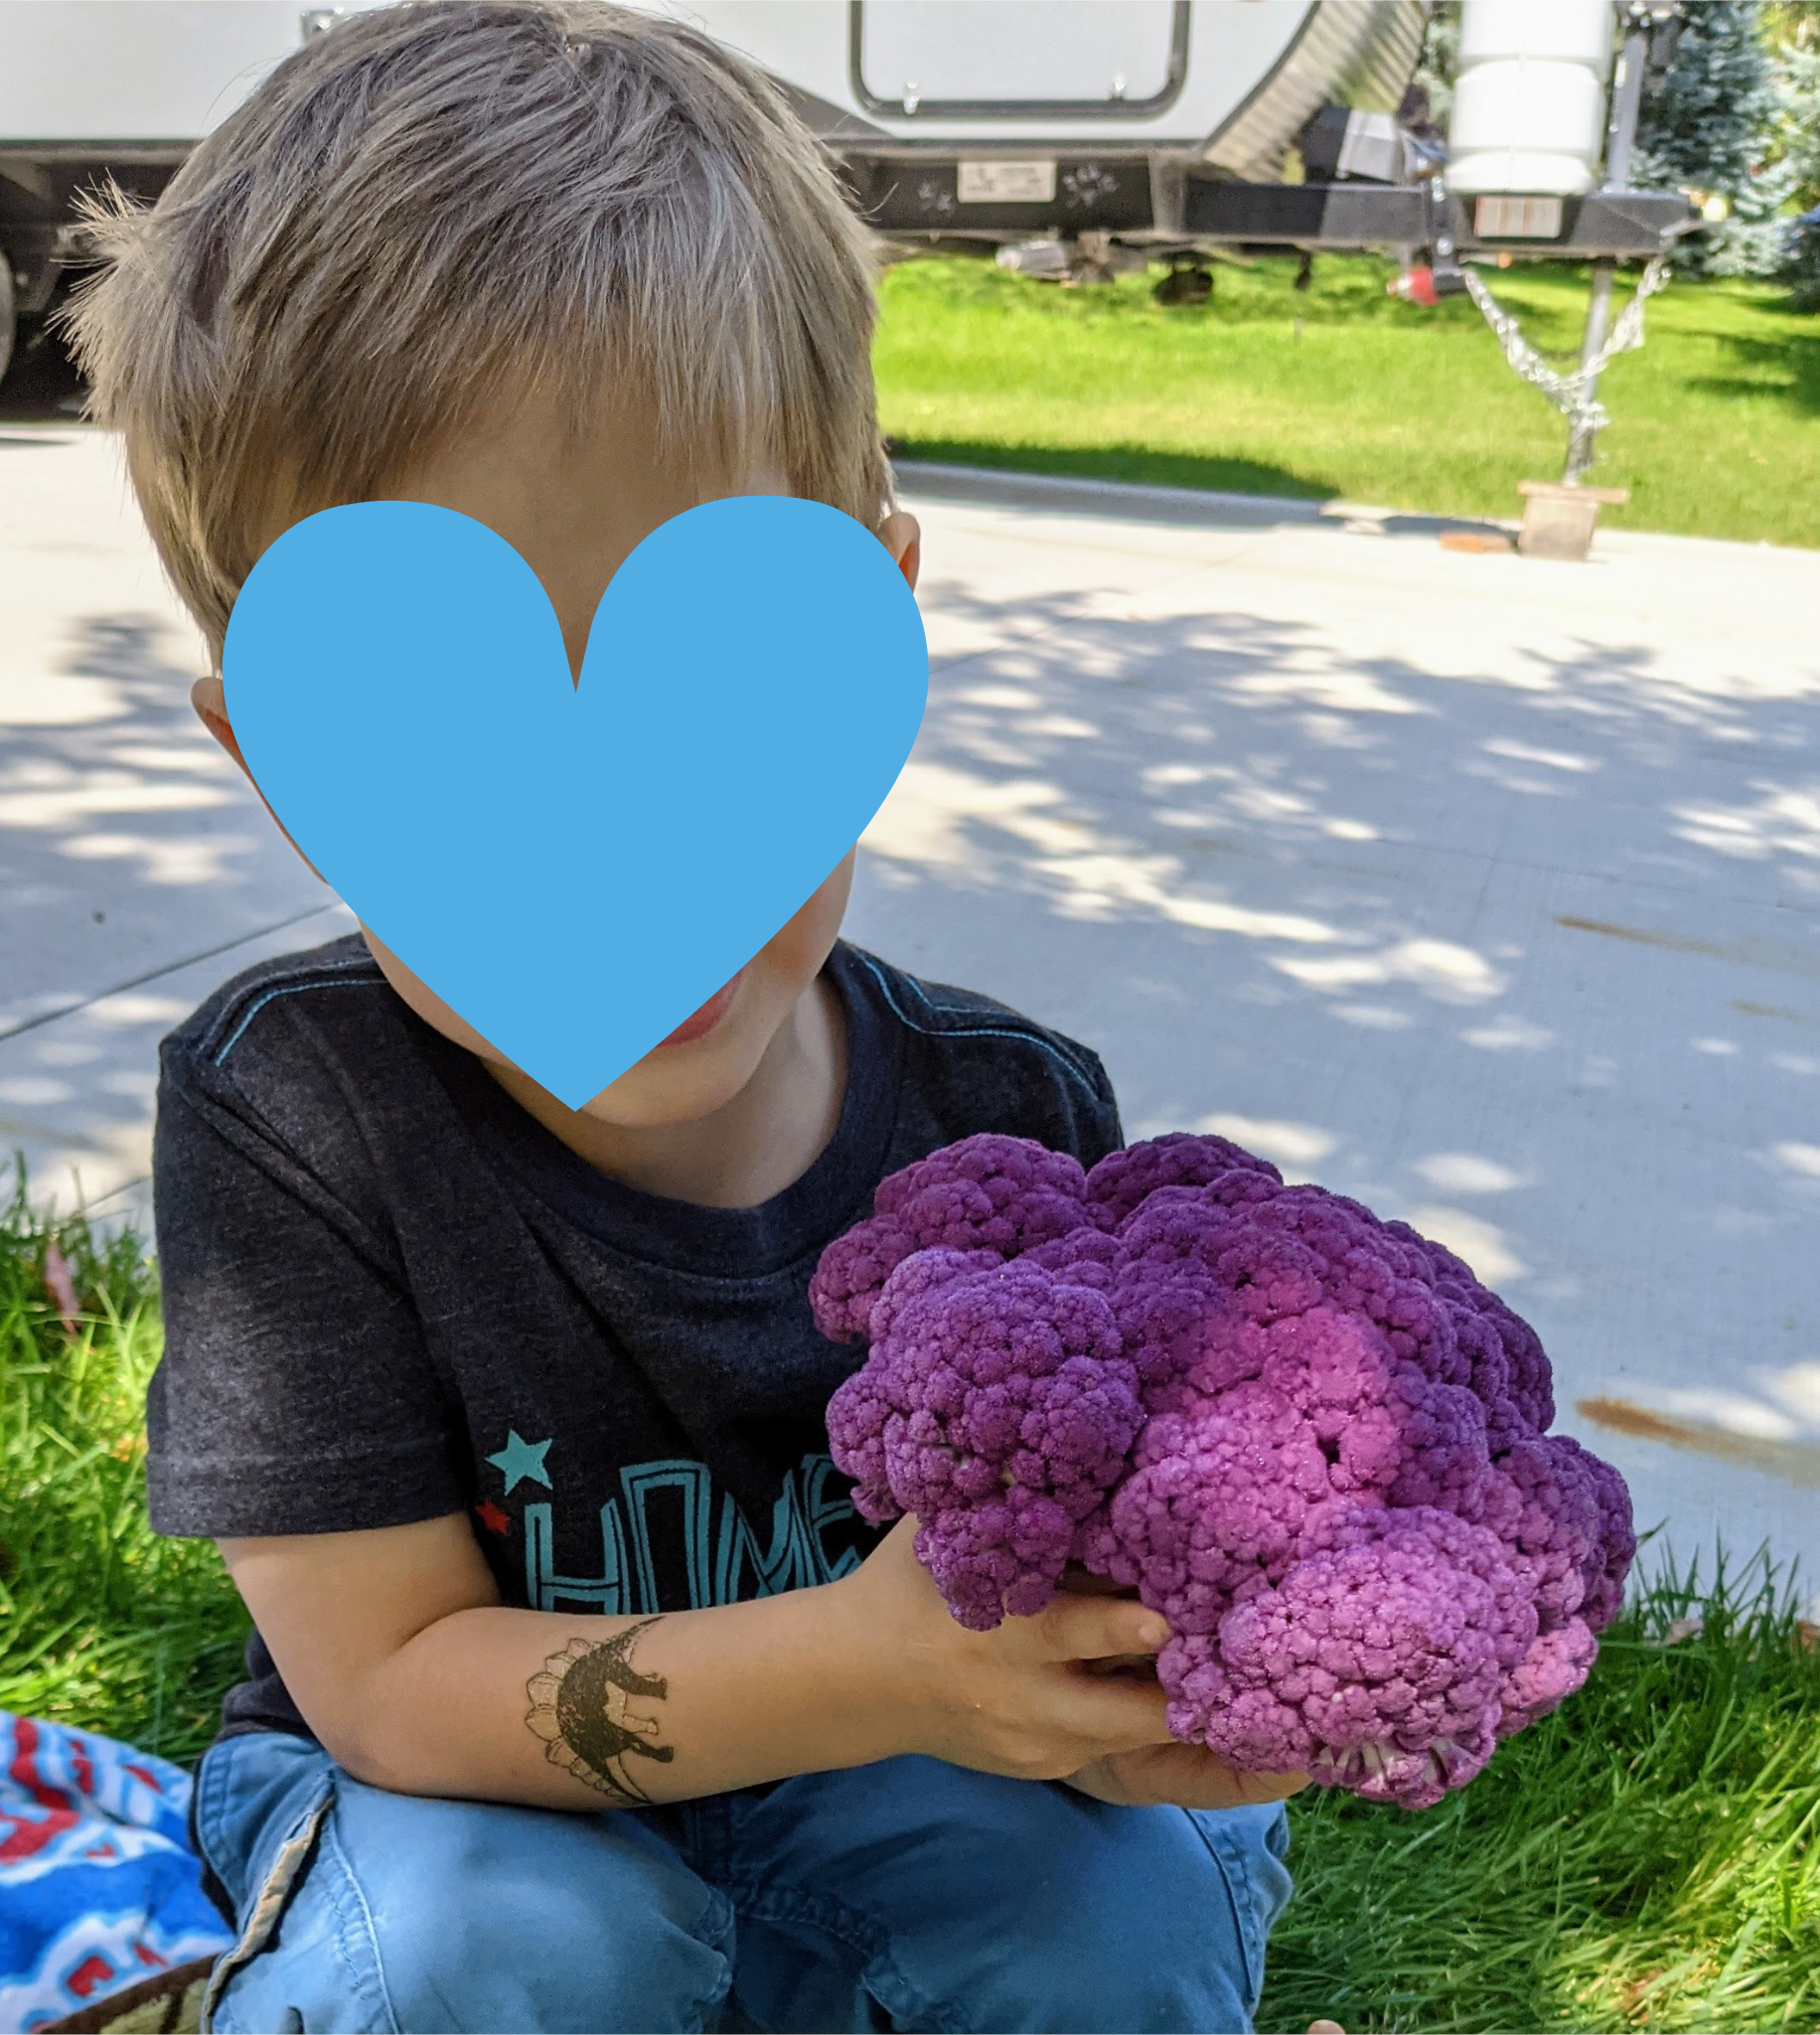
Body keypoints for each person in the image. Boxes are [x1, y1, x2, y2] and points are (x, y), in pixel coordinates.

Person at [68, 6, 1304, 2029]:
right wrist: (880, 1666)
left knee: (1111, 1917)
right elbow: (388, 1679)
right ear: (280, 760)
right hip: (442, 1785)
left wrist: (1127, 1699)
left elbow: (1042, 1644)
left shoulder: (1009, 1112)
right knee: (517, 1948)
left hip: (873, 1773)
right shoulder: (294, 1109)